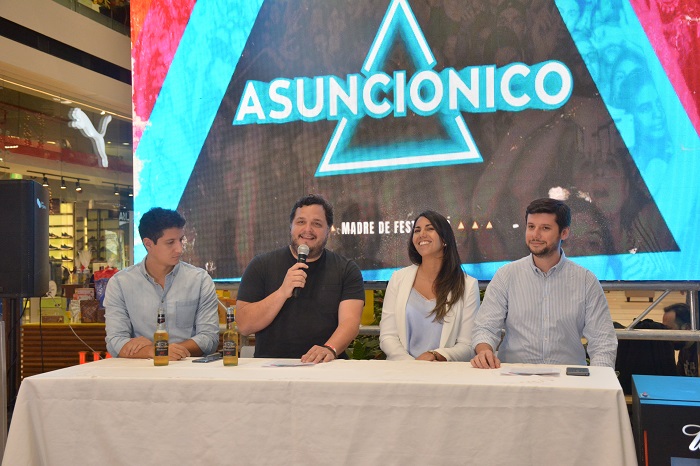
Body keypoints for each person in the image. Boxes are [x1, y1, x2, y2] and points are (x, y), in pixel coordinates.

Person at [471, 198, 618, 368]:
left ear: (564, 233)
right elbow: (485, 327)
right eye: (531, 227)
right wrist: (484, 351)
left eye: (545, 228)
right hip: (513, 376)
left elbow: (602, 341)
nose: (535, 235)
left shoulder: (586, 281)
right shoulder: (506, 276)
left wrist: (599, 379)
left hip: (569, 379)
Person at [236, 194, 365, 363]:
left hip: (325, 366)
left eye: (317, 224)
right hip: (271, 368)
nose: (307, 230)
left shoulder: (346, 270)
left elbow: (350, 323)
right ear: (291, 226)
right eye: (301, 222)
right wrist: (282, 292)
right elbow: (244, 325)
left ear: (328, 230)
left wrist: (329, 349)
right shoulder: (261, 265)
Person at [104, 208, 220, 360]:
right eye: (170, 242)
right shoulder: (120, 283)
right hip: (141, 370)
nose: (179, 249)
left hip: (188, 368)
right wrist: (153, 352)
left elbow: (209, 339)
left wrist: (165, 351)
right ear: (148, 244)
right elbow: (115, 342)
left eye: (181, 240)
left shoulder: (200, 280)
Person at [379, 210, 480, 361]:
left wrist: (435, 356)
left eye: (430, 228)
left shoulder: (468, 285)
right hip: (402, 369)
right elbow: (387, 336)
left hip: (444, 370)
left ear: (444, 239)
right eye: (417, 230)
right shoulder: (398, 279)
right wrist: (411, 364)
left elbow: (467, 345)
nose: (422, 234)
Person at [663, 303, 699, 377]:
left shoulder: (697, 351)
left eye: (669, 329)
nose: (665, 334)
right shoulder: (684, 347)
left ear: (687, 328)